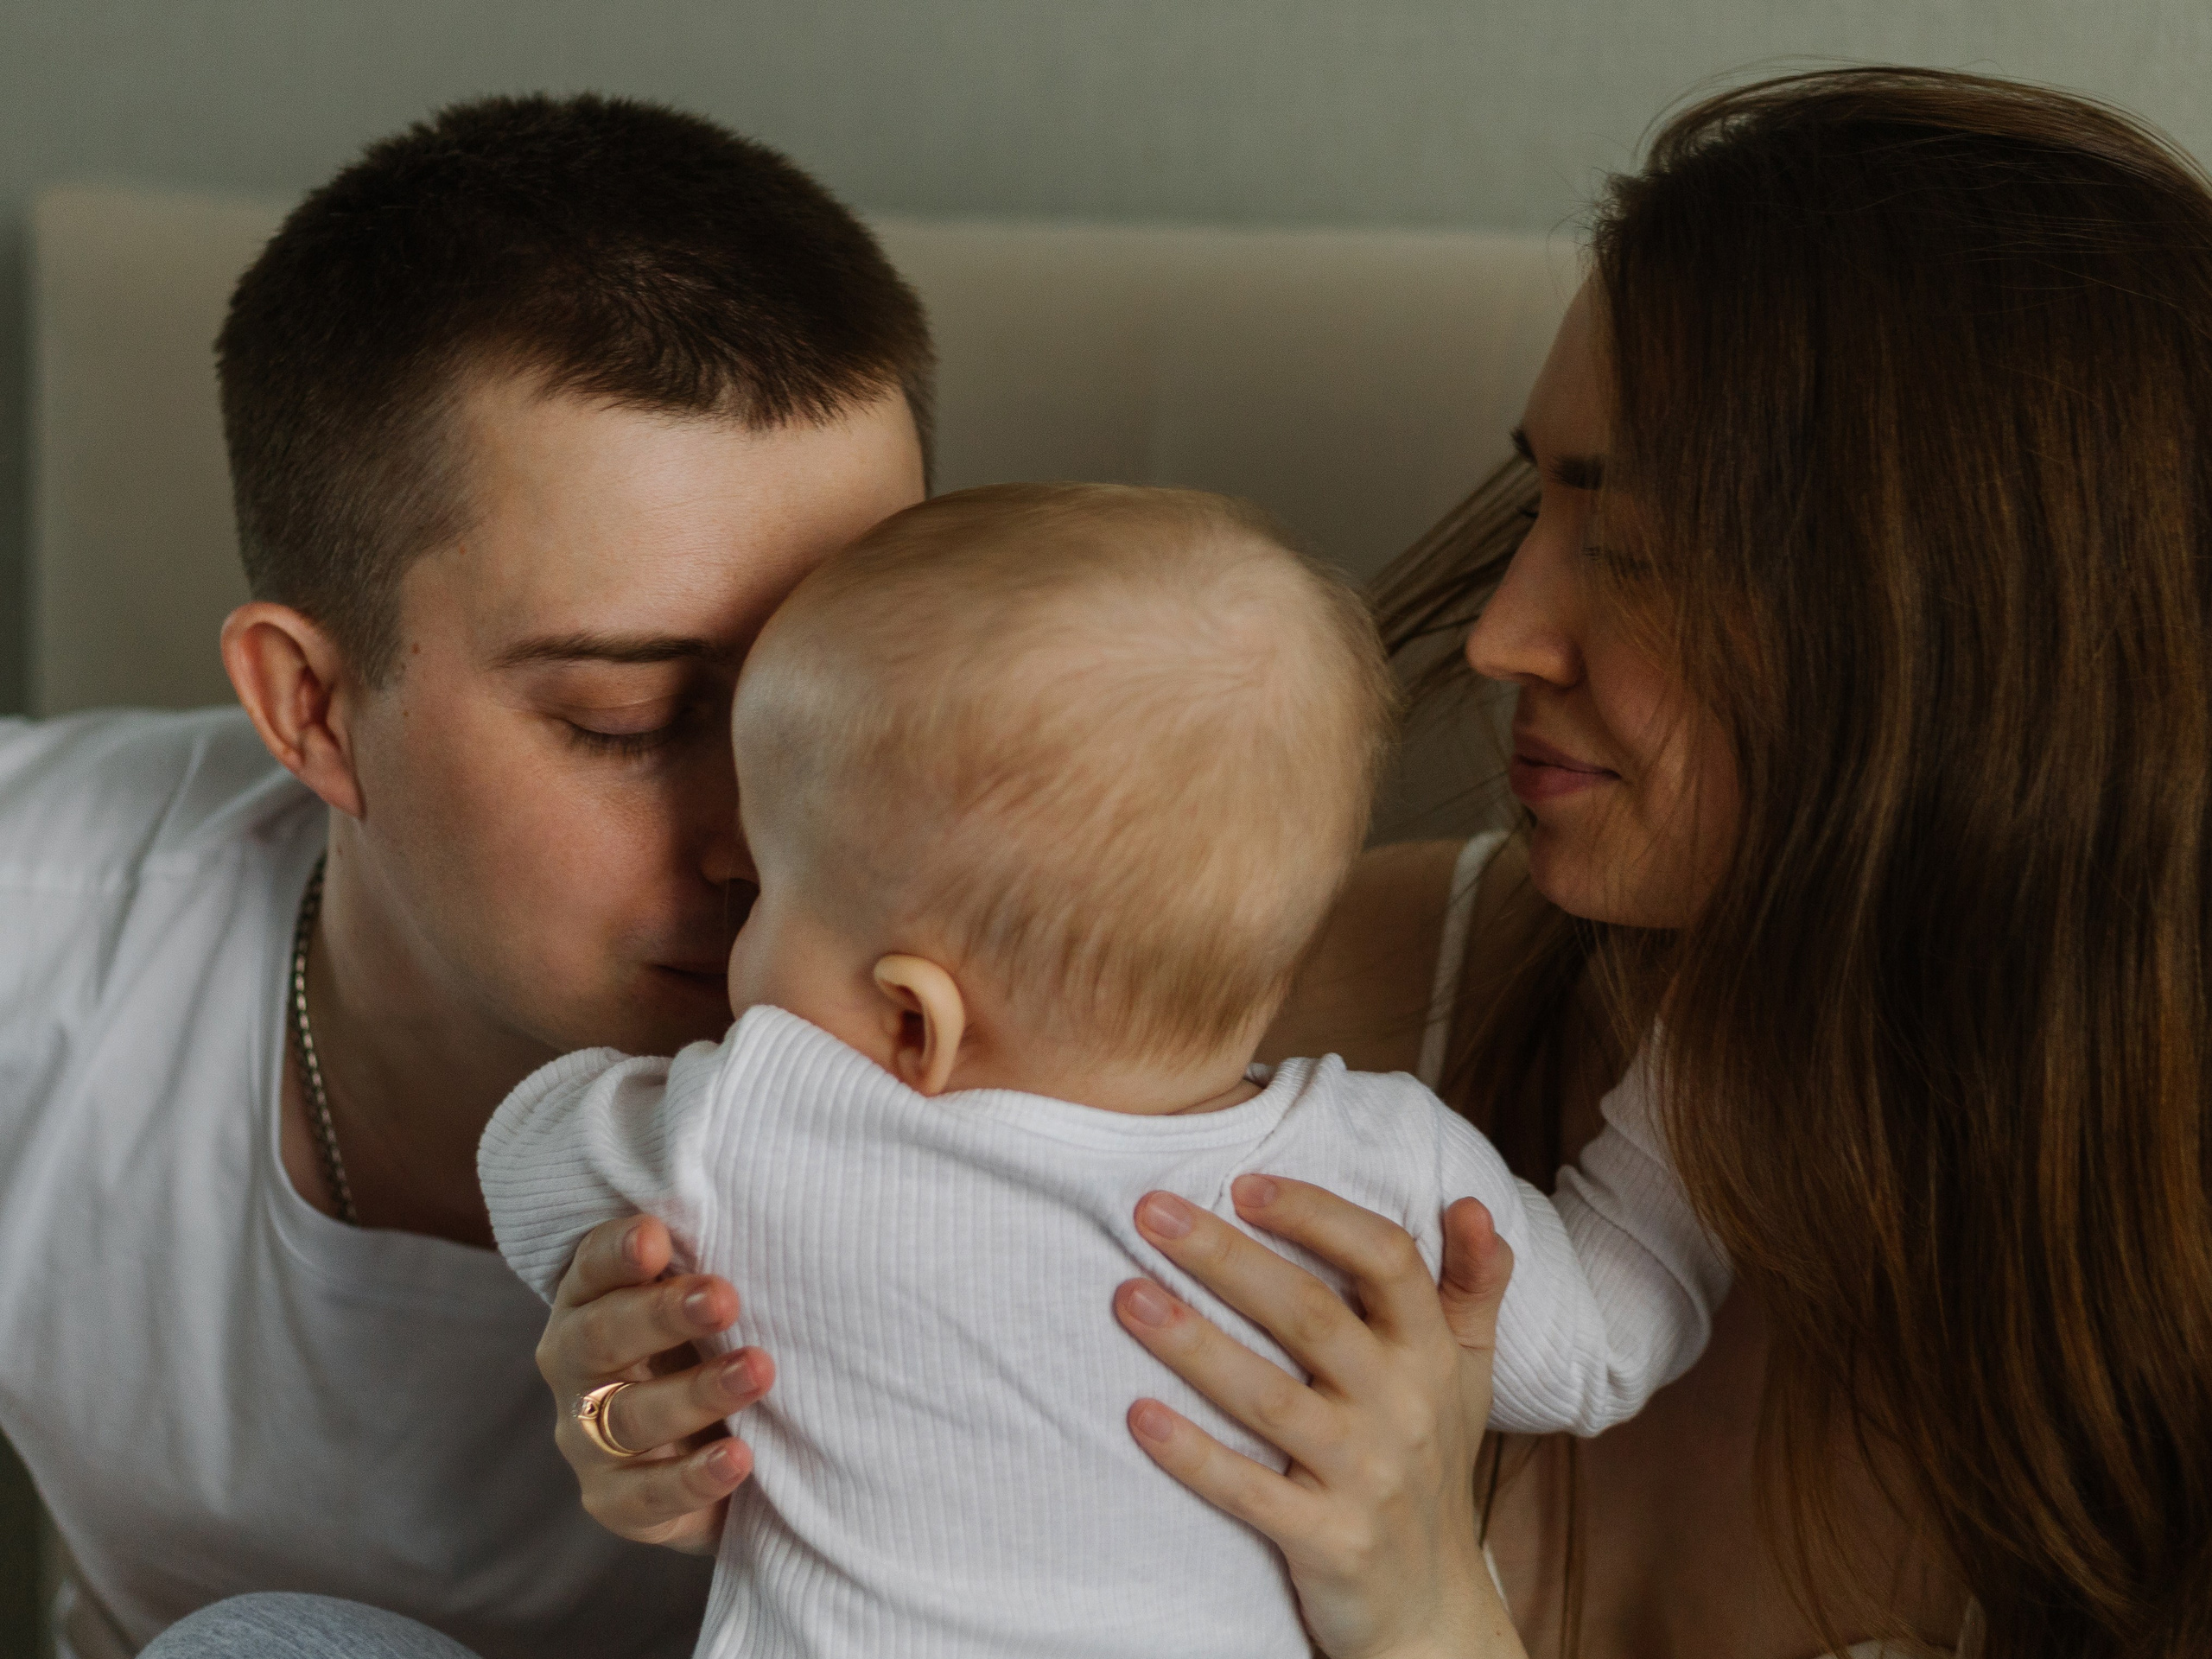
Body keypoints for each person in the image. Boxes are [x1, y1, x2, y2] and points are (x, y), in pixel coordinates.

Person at [548, 68, 2212, 1659]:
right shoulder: (1298, 1000)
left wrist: (1426, 1621)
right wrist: (657, 1428)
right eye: (1535, 508)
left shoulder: (2160, 1288)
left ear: (1961, 651)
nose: (1501, 634)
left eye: (1633, 549)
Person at [478, 482, 1729, 1657]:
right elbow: (1608, 1345)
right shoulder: (1386, 1167)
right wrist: (1709, 1041)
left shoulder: (761, 1122)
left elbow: (527, 1159)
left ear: (914, 1022)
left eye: (766, 891)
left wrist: (640, 1194)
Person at [0, 92, 930, 1657]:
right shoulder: (46, 936)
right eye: (626, 720)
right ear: (312, 707)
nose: (767, 835)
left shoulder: (1084, 992)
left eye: (843, 701)